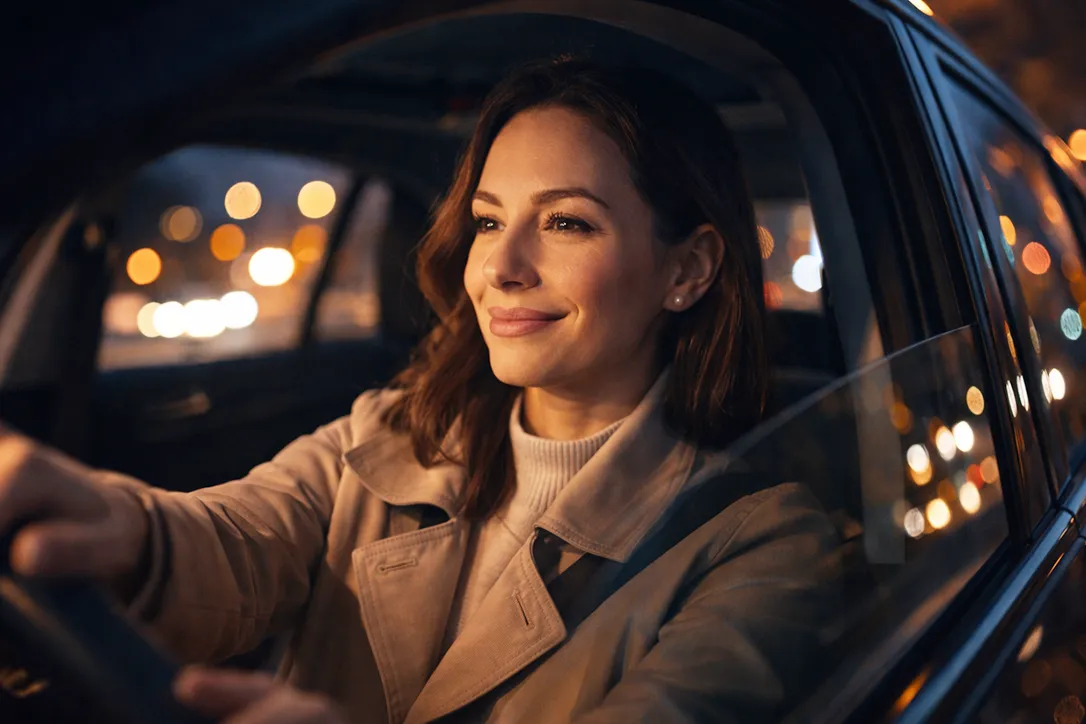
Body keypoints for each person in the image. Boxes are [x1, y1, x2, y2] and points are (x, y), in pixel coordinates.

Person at [0, 58, 842, 723]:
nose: (501, 269)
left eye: (566, 222)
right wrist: (117, 533)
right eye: (486, 220)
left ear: (687, 270)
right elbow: (230, 542)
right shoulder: (392, 437)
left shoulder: (760, 544)